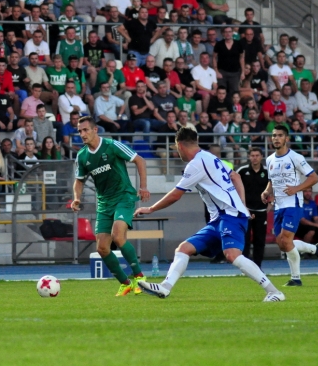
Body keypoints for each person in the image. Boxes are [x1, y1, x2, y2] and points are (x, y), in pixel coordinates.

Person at [135, 127, 284, 302]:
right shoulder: (209, 157)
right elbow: (235, 176)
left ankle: (274, 292)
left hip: (230, 215)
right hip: (220, 218)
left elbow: (176, 195)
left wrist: (151, 209)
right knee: (184, 249)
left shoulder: (195, 164)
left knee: (232, 254)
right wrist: (242, 205)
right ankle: (165, 287)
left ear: (180, 145)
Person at [71, 116, 150, 296]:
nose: (82, 134)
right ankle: (126, 283)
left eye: (85, 130)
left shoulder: (112, 146)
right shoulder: (82, 156)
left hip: (123, 196)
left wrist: (143, 186)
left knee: (118, 235)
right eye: (80, 131)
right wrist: (76, 198)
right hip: (104, 203)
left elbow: (140, 160)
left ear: (95, 130)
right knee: (102, 248)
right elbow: (79, 181)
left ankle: (140, 277)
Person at [261, 125, 318, 287]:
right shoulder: (270, 159)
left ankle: (296, 278)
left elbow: (314, 178)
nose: (276, 138)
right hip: (278, 205)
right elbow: (272, 180)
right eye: (274, 135)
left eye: (279, 135)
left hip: (293, 204)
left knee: (286, 240)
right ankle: (316, 250)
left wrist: (296, 189)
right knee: (283, 244)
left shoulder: (295, 157)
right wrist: (266, 191)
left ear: (286, 138)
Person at [236, 147, 269, 268]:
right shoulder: (242, 171)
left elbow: (274, 188)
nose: (255, 158)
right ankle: (245, 266)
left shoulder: (267, 171)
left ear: (261, 157)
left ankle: (257, 266)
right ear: (249, 157)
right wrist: (242, 207)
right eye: (252, 155)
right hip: (246, 211)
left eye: (257, 155)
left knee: (259, 240)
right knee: (244, 239)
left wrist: (270, 205)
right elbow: (233, 188)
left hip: (261, 211)